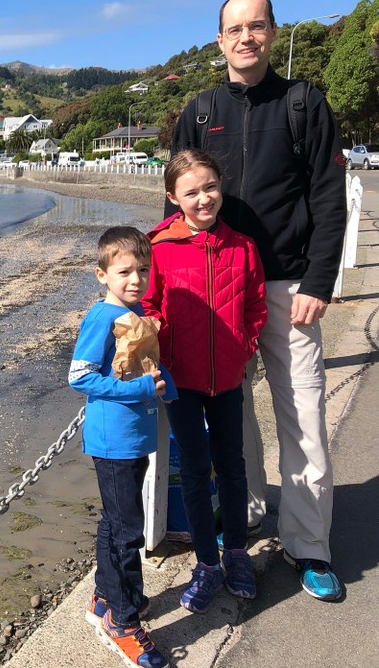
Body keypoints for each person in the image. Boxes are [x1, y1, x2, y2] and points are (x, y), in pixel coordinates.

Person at [171, 0, 347, 601]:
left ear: (272, 33)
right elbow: (179, 199)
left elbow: (329, 197)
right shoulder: (199, 110)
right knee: (229, 407)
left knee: (303, 415)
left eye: (257, 26)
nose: (246, 37)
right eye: (234, 29)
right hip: (215, 286)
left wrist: (319, 283)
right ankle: (243, 515)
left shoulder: (303, 103)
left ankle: (308, 545)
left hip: (288, 285)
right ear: (219, 39)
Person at [143, 150, 267, 613]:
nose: (203, 199)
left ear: (221, 187)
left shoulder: (243, 246)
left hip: (229, 380)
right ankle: (206, 563)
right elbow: (150, 308)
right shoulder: (159, 248)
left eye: (210, 187)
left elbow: (256, 306)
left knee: (232, 467)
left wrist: (243, 347)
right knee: (195, 472)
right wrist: (156, 353)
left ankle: (236, 553)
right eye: (191, 192)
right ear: (172, 197)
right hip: (182, 382)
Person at [69, 226, 177, 668]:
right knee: (128, 530)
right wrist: (139, 392)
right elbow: (79, 376)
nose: (136, 279)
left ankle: (104, 598)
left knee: (116, 524)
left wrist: (165, 386)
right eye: (125, 271)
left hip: (136, 438)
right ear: (102, 274)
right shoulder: (101, 317)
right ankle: (123, 619)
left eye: (143, 270)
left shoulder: (137, 314)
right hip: (112, 440)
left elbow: (145, 367)